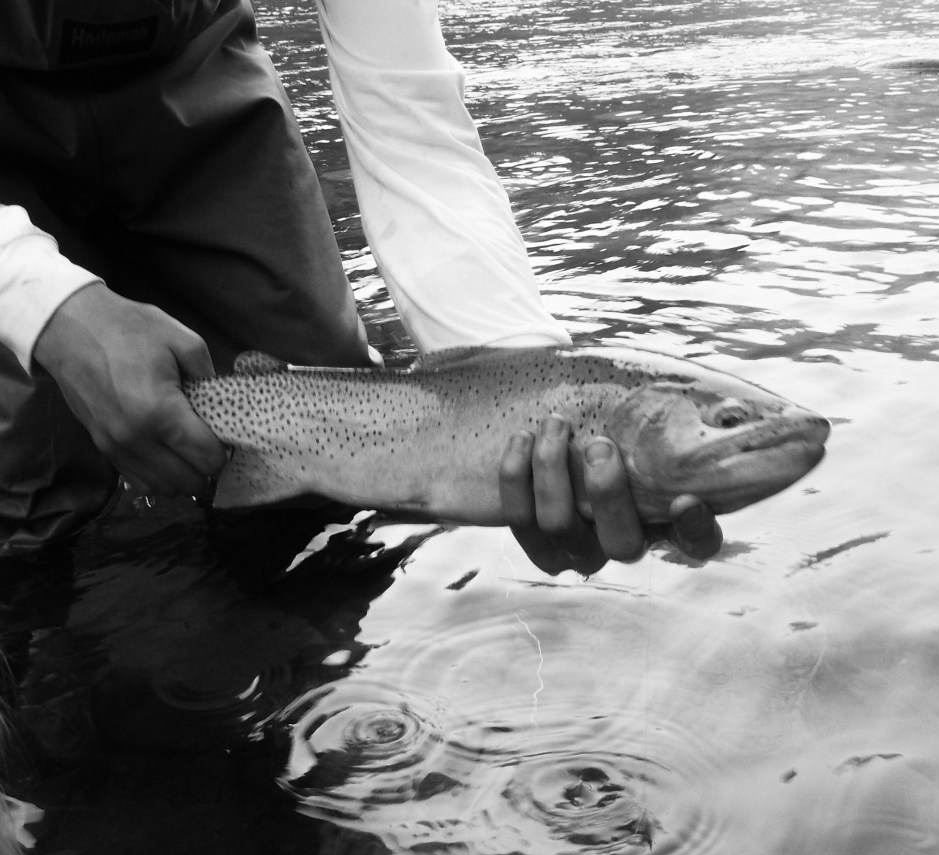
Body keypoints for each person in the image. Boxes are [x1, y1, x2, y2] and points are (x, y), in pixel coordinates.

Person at [0, 0, 721, 575]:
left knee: (325, 445)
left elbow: (411, 126)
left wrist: (525, 398)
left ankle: (286, 670)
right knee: (29, 493)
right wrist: (47, 305)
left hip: (189, 68)